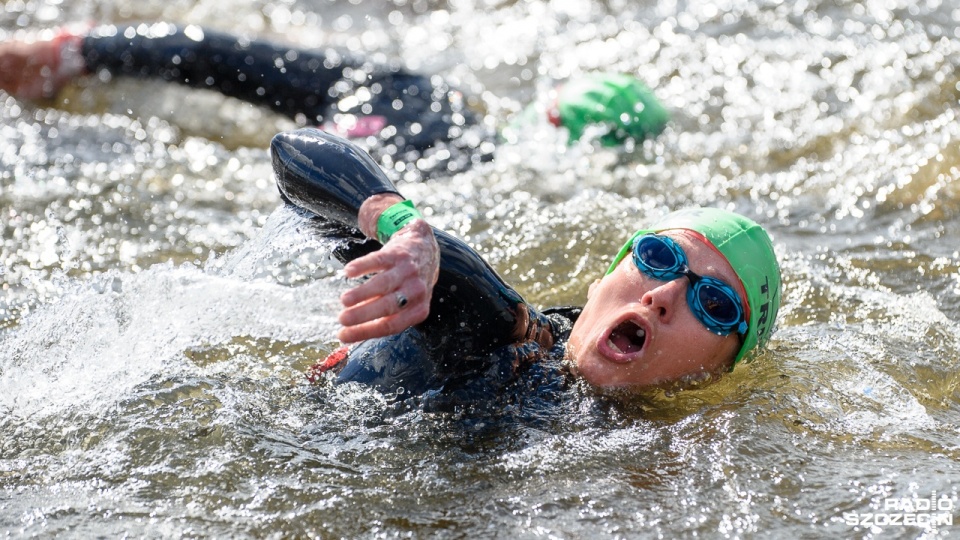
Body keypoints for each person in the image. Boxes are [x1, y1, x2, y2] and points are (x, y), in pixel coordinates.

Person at [273, 128, 782, 401]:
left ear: (723, 372)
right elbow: (292, 153)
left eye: (713, 304)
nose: (663, 295)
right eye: (658, 257)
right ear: (602, 279)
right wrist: (399, 225)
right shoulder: (509, 341)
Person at [0, 22, 670, 177]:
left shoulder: (411, 92)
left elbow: (227, 61)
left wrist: (76, 51)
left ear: (549, 110)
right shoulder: (481, 175)